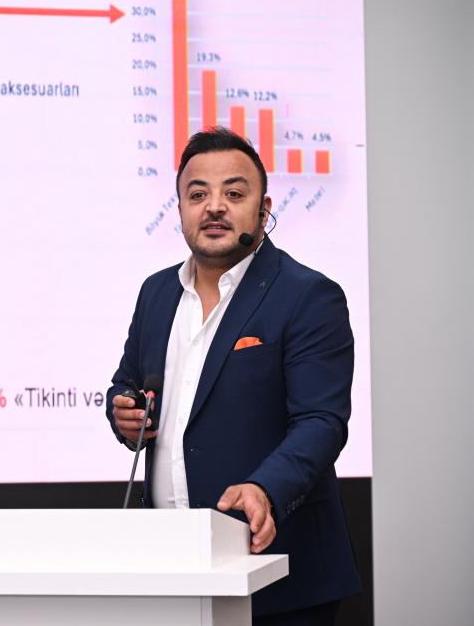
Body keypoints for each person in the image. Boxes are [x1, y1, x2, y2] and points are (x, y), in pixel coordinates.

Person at [107, 127, 361, 624]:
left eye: (234, 193)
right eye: (198, 194)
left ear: (264, 209)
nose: (215, 207)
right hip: (171, 569)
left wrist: (266, 489)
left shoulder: (307, 296)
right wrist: (126, 413)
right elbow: (128, 384)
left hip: (277, 574)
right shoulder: (155, 293)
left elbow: (321, 422)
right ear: (180, 209)